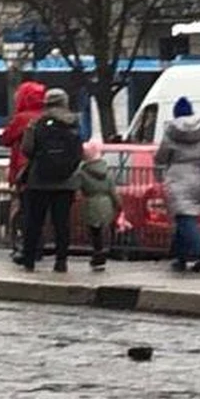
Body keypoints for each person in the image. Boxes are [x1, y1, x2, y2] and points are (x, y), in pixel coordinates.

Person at [18, 88, 82, 274]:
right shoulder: (74, 122)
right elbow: (78, 150)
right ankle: (61, 261)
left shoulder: (37, 122)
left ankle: (29, 260)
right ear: (65, 102)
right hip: (67, 180)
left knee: (34, 221)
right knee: (61, 223)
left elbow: (27, 149)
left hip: (39, 179)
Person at [155, 96, 200, 273]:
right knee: (184, 217)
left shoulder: (172, 132)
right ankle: (180, 257)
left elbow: (161, 157)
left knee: (185, 219)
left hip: (178, 178)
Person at [1, 81, 46, 264]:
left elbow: (6, 138)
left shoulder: (22, 118)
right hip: (45, 171)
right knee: (42, 214)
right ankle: (41, 248)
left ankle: (26, 248)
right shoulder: (45, 116)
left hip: (24, 171)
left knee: (24, 212)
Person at [78, 141, 121, 271]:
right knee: (105, 228)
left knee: (94, 231)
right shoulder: (107, 171)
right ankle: (105, 250)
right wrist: (118, 204)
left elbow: (79, 187)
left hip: (91, 201)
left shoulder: (82, 172)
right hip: (106, 201)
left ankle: (97, 253)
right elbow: (113, 190)